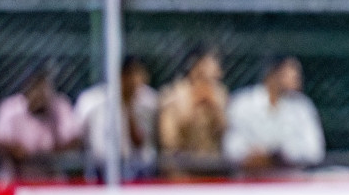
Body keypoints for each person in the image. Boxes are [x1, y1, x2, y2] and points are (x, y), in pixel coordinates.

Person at [224, 56, 325, 173]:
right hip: (249, 180)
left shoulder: (302, 107)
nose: (297, 77)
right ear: (273, 73)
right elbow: (231, 148)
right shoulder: (242, 103)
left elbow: (315, 151)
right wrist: (254, 155)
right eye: (292, 71)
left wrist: (281, 154)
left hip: (292, 181)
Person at [74, 57, 159, 180]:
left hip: (138, 170)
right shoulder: (92, 101)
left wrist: (129, 106)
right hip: (100, 169)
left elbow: (140, 143)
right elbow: (80, 138)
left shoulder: (148, 101)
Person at [0, 67, 83, 183]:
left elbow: (75, 140)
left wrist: (52, 152)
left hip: (51, 174)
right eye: (36, 91)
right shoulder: (11, 109)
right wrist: (14, 150)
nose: (40, 97)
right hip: (16, 174)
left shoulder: (59, 107)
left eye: (44, 91)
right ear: (27, 92)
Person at [156, 49, 229, 177]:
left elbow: (225, 133)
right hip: (181, 167)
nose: (218, 72)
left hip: (212, 166)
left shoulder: (219, 94)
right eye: (213, 65)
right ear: (198, 66)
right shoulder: (172, 95)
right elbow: (169, 142)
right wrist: (193, 105)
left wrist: (215, 108)